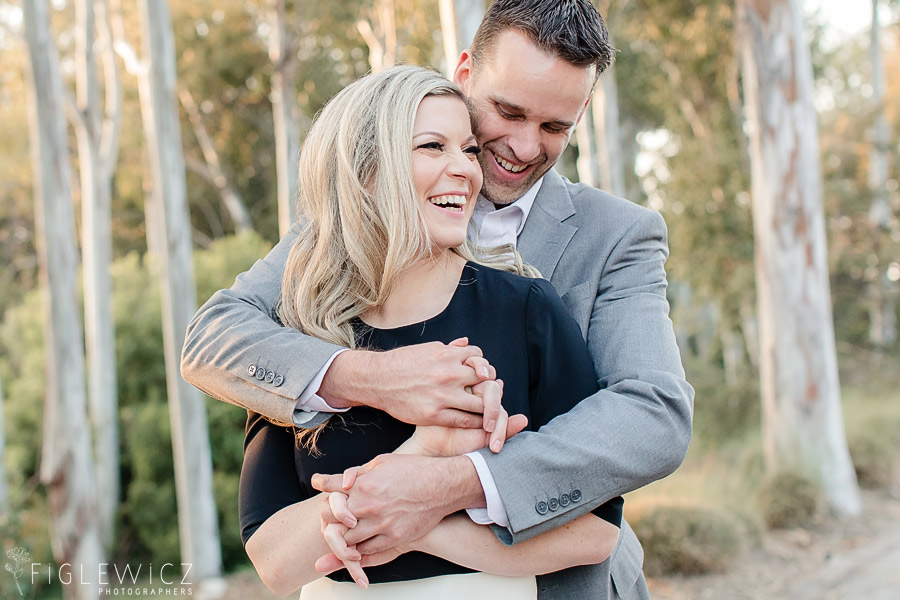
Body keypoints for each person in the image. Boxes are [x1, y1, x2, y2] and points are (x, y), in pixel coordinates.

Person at [181, 1, 694, 598]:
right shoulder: (342, 234)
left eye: (556, 128)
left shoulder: (617, 237)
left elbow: (653, 414)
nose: (525, 147)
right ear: (465, 72)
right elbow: (212, 336)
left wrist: (449, 486)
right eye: (508, 112)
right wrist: (377, 377)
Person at [236, 64, 626, 598]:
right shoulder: (304, 333)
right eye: (432, 147)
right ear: (366, 171)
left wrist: (428, 523)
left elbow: (596, 530)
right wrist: (424, 453)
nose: (466, 170)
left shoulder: (527, 309)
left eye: (468, 149)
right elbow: (274, 561)